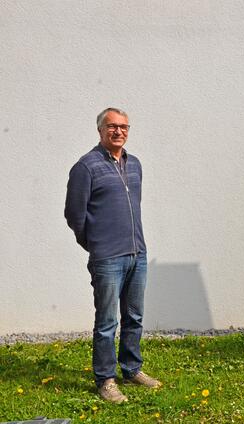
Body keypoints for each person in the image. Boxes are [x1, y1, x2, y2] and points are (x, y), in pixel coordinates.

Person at [64, 108, 161, 403]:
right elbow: (74, 215)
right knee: (107, 322)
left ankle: (131, 369)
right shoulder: (86, 167)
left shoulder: (135, 164)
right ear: (100, 130)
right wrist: (95, 244)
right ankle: (106, 379)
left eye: (123, 127)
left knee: (134, 316)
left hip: (137, 253)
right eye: (112, 126)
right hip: (107, 258)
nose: (118, 131)